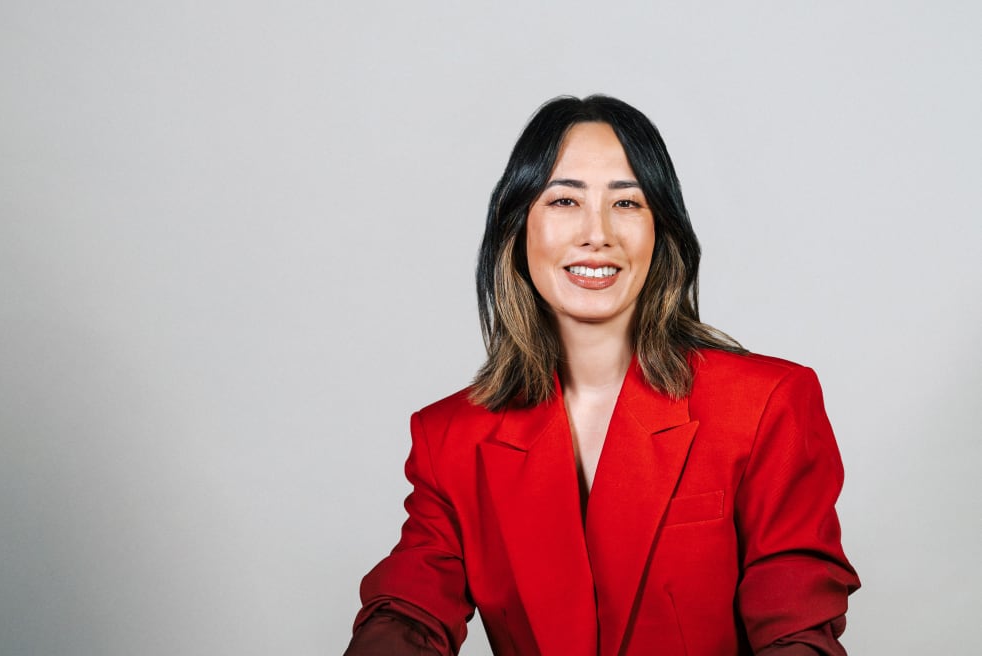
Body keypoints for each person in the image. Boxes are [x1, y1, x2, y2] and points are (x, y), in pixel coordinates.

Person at [344, 95, 860, 656]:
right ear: (518, 230)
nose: (597, 234)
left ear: (661, 229)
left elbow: (798, 631)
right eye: (564, 200)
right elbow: (408, 610)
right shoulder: (450, 437)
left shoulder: (768, 404)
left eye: (628, 203)